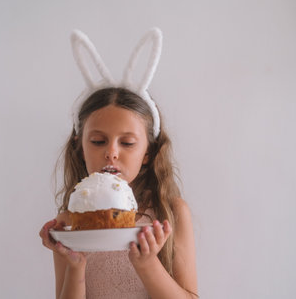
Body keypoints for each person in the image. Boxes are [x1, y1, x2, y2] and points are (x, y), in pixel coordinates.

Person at [39, 29, 198, 299]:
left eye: (127, 143)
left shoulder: (169, 212)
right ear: (80, 148)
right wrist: (73, 260)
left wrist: (147, 263)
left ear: (148, 152)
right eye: (98, 141)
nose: (111, 153)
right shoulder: (72, 222)